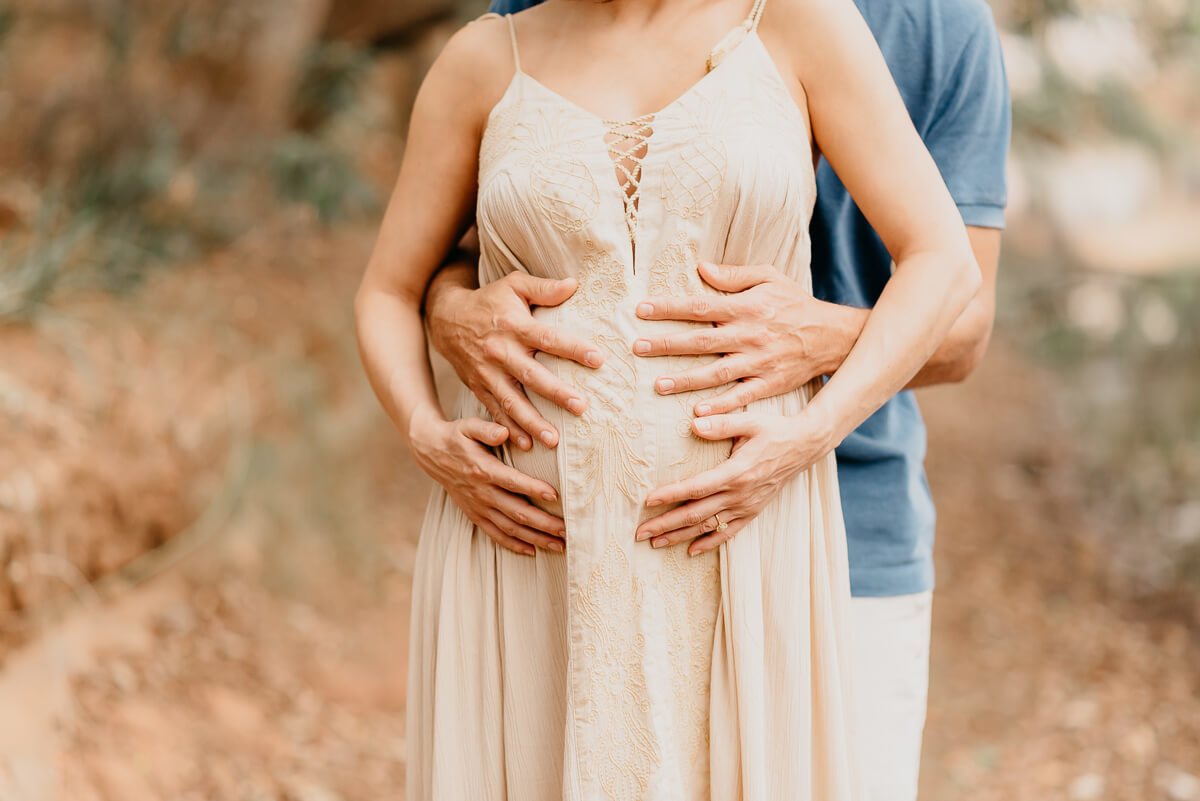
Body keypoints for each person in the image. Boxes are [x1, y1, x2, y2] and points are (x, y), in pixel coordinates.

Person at [355, 0, 994, 798]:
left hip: (748, 541)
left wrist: (811, 431)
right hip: (524, 555)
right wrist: (425, 425)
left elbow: (947, 269)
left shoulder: (811, 24)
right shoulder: (488, 51)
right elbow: (391, 286)